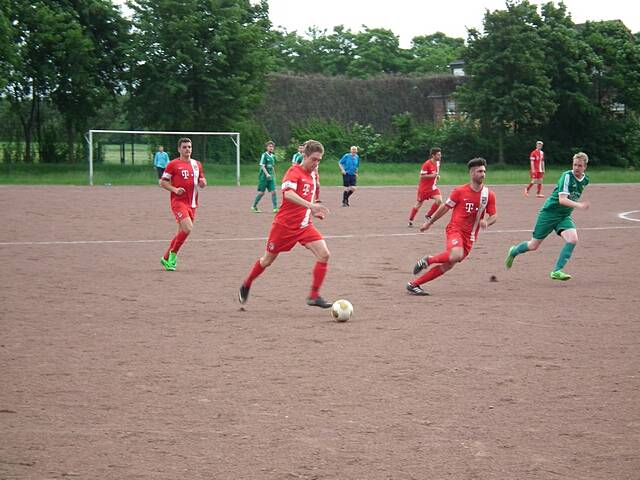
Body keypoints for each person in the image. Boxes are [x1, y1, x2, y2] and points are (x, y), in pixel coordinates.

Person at [239, 139, 333, 308]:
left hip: (304, 226)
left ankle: (313, 296)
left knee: (324, 254)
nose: (316, 163)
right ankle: (247, 283)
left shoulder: (314, 174)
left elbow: (307, 197)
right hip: (284, 227)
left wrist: (312, 211)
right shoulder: (293, 171)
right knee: (267, 261)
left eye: (319, 160)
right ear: (304, 156)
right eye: (314, 159)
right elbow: (288, 194)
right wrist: (311, 206)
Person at [407, 157, 497, 296]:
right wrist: (430, 222)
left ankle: (414, 284)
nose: (483, 174)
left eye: (484, 171)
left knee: (449, 264)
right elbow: (445, 208)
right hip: (455, 229)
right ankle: (428, 260)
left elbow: (494, 216)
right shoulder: (460, 191)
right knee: (456, 254)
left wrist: (487, 222)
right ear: (472, 173)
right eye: (479, 171)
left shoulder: (488, 195)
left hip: (470, 236)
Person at [505, 152, 590, 281]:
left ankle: (557, 271)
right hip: (549, 214)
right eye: (574, 165)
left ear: (585, 167)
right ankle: (514, 251)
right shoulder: (567, 176)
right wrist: (579, 205)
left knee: (572, 239)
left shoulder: (585, 180)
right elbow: (562, 200)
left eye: (579, 165)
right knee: (533, 245)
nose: (576, 168)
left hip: (563, 216)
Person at [159, 138, 207, 271]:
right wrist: (175, 190)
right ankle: (173, 256)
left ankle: (166, 257)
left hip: (192, 203)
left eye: (189, 147)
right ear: (179, 149)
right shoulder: (173, 164)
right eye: (185, 147)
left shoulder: (197, 164)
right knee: (188, 228)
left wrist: (203, 182)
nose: (187, 149)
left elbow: (202, 180)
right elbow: (163, 182)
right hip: (178, 202)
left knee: (181, 232)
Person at [408, 147, 443, 227]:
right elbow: (422, 176)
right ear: (433, 155)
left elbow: (435, 173)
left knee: (439, 200)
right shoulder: (427, 164)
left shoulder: (437, 163)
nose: (440, 156)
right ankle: (410, 220)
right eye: (438, 155)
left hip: (433, 187)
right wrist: (433, 176)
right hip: (424, 188)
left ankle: (428, 215)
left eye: (440, 155)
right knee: (419, 204)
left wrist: (437, 176)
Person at [251, 141, 278, 213]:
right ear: (267, 147)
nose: (271, 148)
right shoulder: (264, 155)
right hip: (264, 177)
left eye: (272, 146)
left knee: (274, 191)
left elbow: (272, 166)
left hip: (271, 177)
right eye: (269, 146)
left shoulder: (273, 156)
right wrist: (267, 174)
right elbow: (262, 166)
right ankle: (254, 206)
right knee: (261, 193)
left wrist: (274, 174)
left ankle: (275, 208)